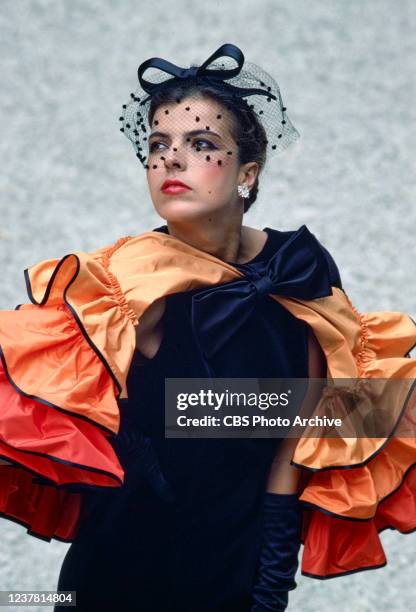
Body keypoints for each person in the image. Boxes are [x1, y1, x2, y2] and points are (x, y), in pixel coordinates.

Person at [0, 44, 415, 612]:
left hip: (235, 573)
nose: (170, 159)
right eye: (158, 144)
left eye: (200, 145)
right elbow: (34, 402)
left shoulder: (299, 270)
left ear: (248, 173)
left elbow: (314, 433)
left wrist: (271, 584)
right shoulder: (122, 285)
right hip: (120, 570)